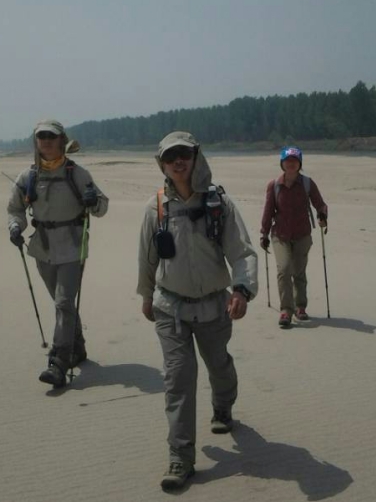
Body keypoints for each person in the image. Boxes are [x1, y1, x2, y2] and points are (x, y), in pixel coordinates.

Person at [137, 131, 258, 490]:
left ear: (195, 157)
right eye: (170, 156)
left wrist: (242, 290)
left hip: (213, 306)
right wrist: (146, 295)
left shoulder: (220, 203)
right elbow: (147, 257)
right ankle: (181, 457)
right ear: (161, 163)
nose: (178, 161)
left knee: (218, 364)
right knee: (178, 379)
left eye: (184, 154)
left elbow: (242, 252)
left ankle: (223, 406)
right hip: (170, 308)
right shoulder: (156, 207)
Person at [7, 119, 109, 388]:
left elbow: (102, 207)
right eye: (41, 136)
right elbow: (15, 210)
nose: (46, 141)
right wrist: (15, 227)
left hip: (73, 247)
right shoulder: (28, 177)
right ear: (36, 142)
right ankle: (78, 347)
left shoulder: (78, 174)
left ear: (62, 140)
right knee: (63, 303)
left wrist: (93, 201)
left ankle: (59, 362)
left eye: (51, 136)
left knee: (63, 303)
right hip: (42, 248)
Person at [259, 146, 328, 328]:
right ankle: (286, 311)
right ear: (282, 164)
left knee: (298, 271)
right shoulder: (274, 185)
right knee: (284, 269)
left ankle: (300, 306)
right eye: (287, 161)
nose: (291, 164)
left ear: (299, 164)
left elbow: (320, 204)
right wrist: (264, 233)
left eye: (294, 161)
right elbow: (268, 211)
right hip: (280, 235)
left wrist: (322, 215)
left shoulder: (307, 183)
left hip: (302, 234)